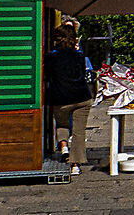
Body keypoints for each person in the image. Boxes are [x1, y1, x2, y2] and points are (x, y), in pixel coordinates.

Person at [44, 21, 95, 172]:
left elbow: (48, 76)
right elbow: (82, 73)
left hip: (60, 98)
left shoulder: (50, 57)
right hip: (82, 97)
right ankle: (75, 165)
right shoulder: (79, 56)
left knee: (62, 124)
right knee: (79, 131)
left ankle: (64, 146)